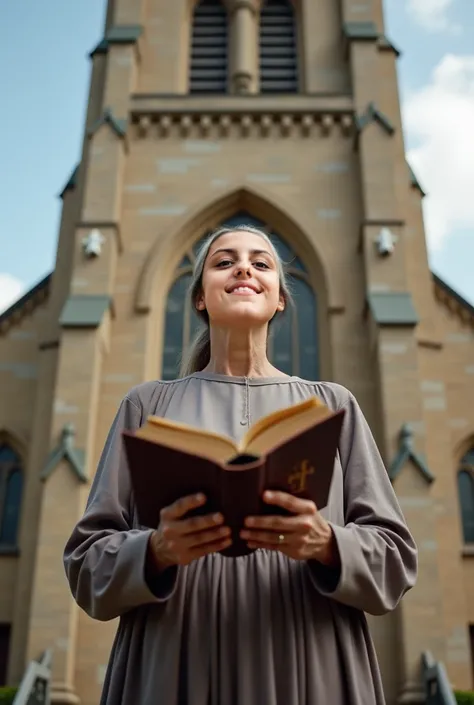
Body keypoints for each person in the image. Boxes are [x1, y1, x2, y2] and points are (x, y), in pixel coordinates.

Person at [63, 224, 418, 705]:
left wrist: (328, 543)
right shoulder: (146, 406)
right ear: (200, 299)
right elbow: (86, 564)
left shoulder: (333, 405)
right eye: (224, 261)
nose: (244, 268)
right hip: (176, 659)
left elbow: (394, 559)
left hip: (310, 659)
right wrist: (156, 550)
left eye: (261, 262)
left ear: (279, 300)